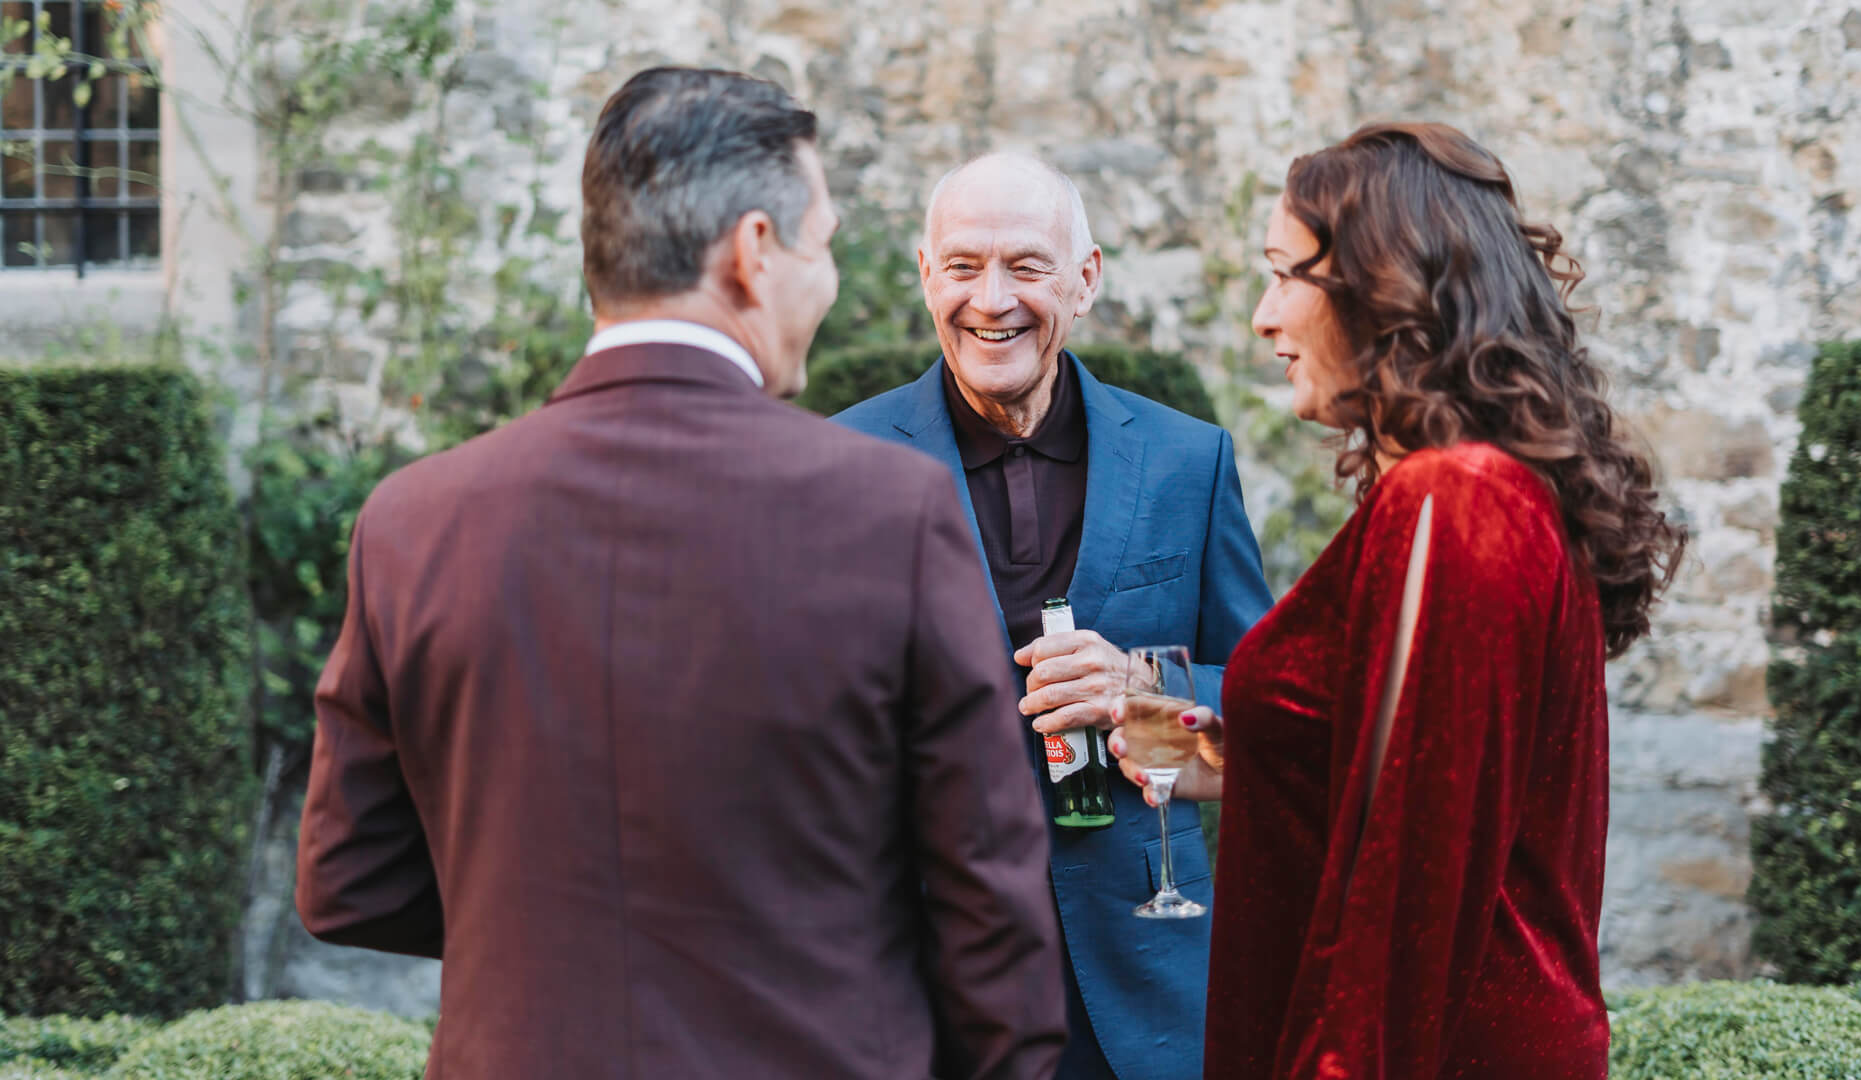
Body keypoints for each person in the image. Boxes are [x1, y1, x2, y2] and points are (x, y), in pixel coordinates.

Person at [295, 68, 1067, 1080]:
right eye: (822, 244)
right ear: (754, 253)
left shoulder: (412, 521)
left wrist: (555, 930)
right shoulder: (894, 513)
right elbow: (990, 910)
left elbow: (349, 878)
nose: (826, 280)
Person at [1110, 123, 1686, 1079]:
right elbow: (1429, 773)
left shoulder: (1453, 501)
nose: (1263, 316)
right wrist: (1247, 756)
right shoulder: (1484, 492)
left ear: (1384, 287)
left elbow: (1415, 894)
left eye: (1285, 274)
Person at [835, 152, 1273, 1080]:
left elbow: (1268, 741)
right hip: (912, 989)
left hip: (1139, 989)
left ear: (1086, 280)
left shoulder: (1189, 461)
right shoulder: (838, 463)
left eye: (1026, 266)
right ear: (925, 275)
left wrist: (1145, 697)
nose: (991, 299)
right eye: (962, 266)